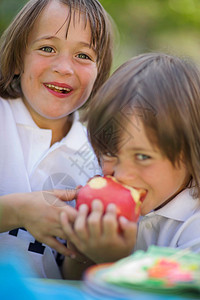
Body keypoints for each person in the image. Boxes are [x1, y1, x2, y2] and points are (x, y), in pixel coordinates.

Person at [0, 0, 113, 279]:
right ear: (17, 59)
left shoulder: (101, 160)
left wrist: (87, 251)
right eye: (47, 48)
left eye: (83, 56)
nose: (64, 68)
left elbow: (71, 278)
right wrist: (17, 211)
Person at [60, 52, 200, 278]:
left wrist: (114, 263)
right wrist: (82, 251)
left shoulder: (193, 228)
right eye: (108, 153)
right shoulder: (104, 200)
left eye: (143, 157)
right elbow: (72, 283)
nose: (122, 175)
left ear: (190, 151)